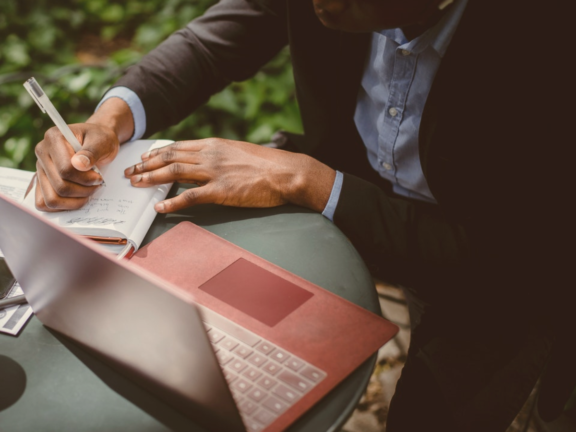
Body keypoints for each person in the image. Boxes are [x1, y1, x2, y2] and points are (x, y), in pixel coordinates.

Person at [32, 0, 570, 430]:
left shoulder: (544, 44)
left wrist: (308, 181)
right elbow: (221, 37)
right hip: (357, 191)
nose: (320, 8)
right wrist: (113, 117)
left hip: (494, 274)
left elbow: (507, 255)